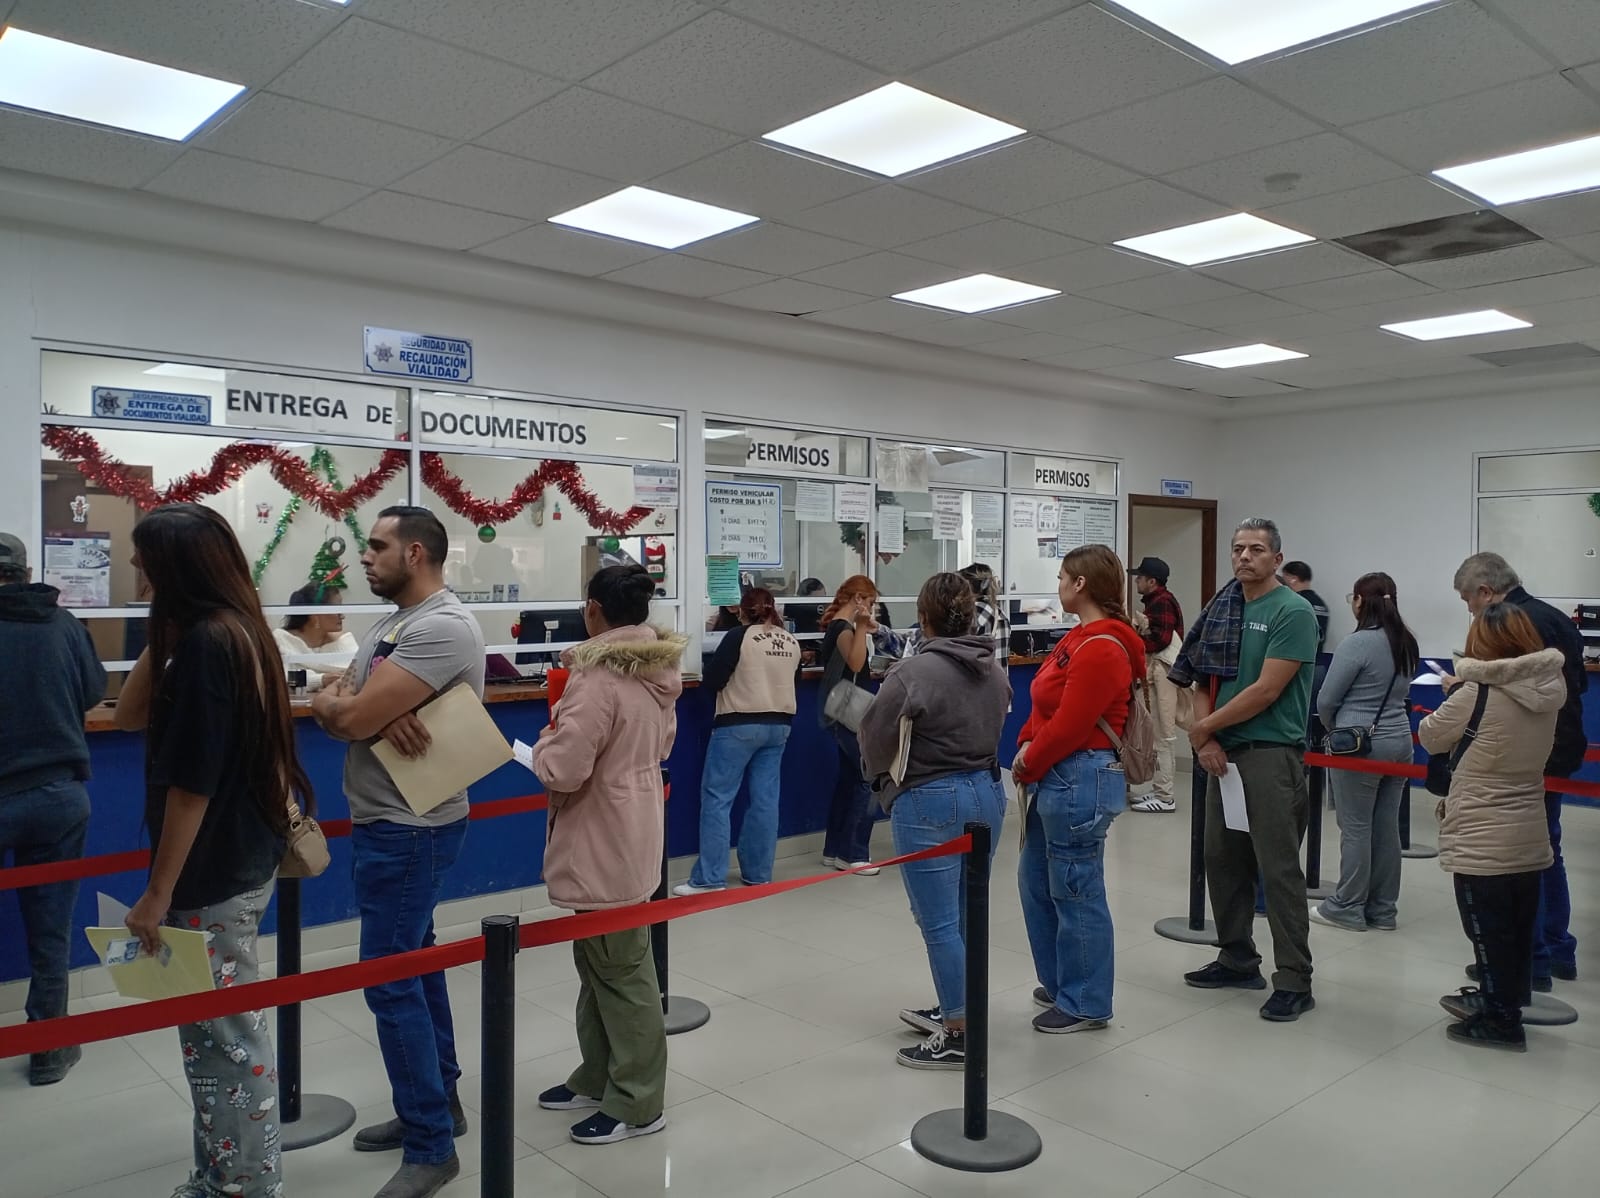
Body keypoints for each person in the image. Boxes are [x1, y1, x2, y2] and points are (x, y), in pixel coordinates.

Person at [113, 504, 310, 1198]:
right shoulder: (233, 631)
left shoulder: (209, 644)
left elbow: (191, 785)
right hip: (240, 856)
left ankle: (245, 1185)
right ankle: (224, 1174)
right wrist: (163, 626)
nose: (133, 564)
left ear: (177, 568)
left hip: (212, 869)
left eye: (144, 556)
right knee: (214, 1033)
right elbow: (128, 714)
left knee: (224, 1038)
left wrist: (158, 892)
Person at [311, 506, 485, 1198]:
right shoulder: (395, 624)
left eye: (377, 546)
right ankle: (440, 1105)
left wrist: (358, 711)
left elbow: (348, 711)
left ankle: (430, 1146)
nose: (365, 556)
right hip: (391, 820)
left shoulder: (441, 626)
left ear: (415, 553)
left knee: (389, 980)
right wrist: (361, 709)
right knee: (416, 963)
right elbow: (341, 696)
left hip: (411, 826)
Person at [532, 564, 685, 1144]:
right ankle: (598, 1072)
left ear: (593, 609)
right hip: (633, 823)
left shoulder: (597, 678)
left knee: (622, 972)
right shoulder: (656, 670)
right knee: (599, 963)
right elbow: (660, 744)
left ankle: (639, 1100)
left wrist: (544, 744)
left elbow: (565, 769)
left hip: (601, 834)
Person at [859, 573, 1011, 1068]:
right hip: (987, 792)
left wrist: (882, 782)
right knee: (968, 915)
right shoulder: (994, 669)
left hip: (929, 799)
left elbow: (874, 736)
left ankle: (960, 1032)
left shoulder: (912, 673)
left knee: (939, 922)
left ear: (923, 618)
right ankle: (960, 1007)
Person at [1179, 519, 1319, 1022]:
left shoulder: (1292, 611)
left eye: (1256, 549)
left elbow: (1266, 690)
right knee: (1222, 860)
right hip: (1223, 755)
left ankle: (1294, 979)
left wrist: (1201, 730)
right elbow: (1199, 679)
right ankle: (1237, 958)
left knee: (1278, 871)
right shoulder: (1223, 607)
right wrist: (1208, 740)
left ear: (1276, 559)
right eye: (1238, 549)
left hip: (1269, 754)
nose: (1244, 557)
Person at [1012, 545, 1146, 1033]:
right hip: (1058, 773)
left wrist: (1030, 761)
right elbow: (1045, 702)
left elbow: (1072, 723)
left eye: (1062, 577)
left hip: (1080, 777)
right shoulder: (1079, 637)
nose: (1059, 585)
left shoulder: (1104, 646)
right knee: (1036, 881)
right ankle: (1062, 981)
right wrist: (1027, 742)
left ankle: (1086, 1000)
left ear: (1081, 584)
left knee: (1075, 888)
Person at [1421, 603, 1565, 1051]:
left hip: (1481, 828)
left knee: (1485, 929)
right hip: (1528, 823)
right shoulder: (1548, 688)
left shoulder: (1475, 694)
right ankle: (1507, 999)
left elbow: (1430, 734)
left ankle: (1501, 1021)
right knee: (1517, 927)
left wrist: (1456, 693)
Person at [0, 531, 105, 1086]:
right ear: (24, 573)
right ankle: (48, 1050)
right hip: (58, 796)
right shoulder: (64, 625)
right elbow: (92, 692)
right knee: (50, 929)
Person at [1451, 552, 1586, 987]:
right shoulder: (1553, 616)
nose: (1470, 610)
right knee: (1545, 851)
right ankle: (1554, 950)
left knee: (1523, 860)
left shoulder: (1515, 623)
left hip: (1527, 755)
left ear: (1486, 592)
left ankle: (1530, 960)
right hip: (1555, 746)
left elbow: (1513, 691)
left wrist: (1468, 687)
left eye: (1468, 600)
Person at [1311, 573, 1418, 933]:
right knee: (1386, 828)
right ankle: (1383, 910)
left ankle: (1347, 906)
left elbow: (1326, 699)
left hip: (1359, 744)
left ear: (1360, 601)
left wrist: (1335, 729)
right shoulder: (1406, 641)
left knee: (1355, 827)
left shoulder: (1357, 643)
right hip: (1400, 741)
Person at [678, 587, 799, 894]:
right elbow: (793, 680)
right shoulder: (790, 640)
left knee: (718, 798)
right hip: (779, 725)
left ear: (741, 611)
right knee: (765, 800)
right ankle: (758, 873)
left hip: (738, 724)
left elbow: (714, 679)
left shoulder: (738, 636)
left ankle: (710, 878)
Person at [817, 575, 883, 875]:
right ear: (858, 599)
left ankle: (834, 849)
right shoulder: (843, 628)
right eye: (871, 602)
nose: (873, 608)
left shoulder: (839, 627)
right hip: (849, 714)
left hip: (839, 713)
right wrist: (861, 627)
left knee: (847, 781)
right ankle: (854, 853)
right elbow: (856, 663)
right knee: (867, 778)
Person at [1127, 556, 1184, 814]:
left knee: (1163, 734)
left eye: (1140, 577)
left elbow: (1161, 640)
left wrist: (1134, 640)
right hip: (1160, 672)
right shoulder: (1158, 601)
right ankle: (1161, 789)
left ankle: (1165, 796)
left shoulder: (1162, 602)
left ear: (1152, 581)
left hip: (1164, 673)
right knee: (1158, 732)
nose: (1136, 581)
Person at [274, 580, 358, 690]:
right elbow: (280, 679)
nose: (342, 616)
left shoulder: (344, 640)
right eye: (336, 610)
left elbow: (361, 674)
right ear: (315, 616)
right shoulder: (282, 640)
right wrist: (321, 680)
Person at [1283, 561, 1329, 655]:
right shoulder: (1320, 604)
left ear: (1293, 579)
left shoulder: (1294, 603)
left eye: (1285, 577)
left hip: (1295, 658)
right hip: (1316, 658)